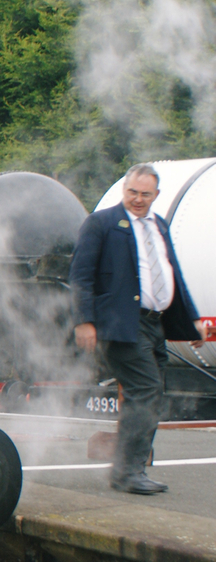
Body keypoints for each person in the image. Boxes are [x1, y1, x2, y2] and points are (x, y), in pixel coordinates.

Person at [70, 164, 205, 494]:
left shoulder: (158, 224)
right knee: (146, 391)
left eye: (145, 194)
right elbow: (80, 275)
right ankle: (128, 472)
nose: (138, 199)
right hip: (120, 326)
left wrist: (193, 320)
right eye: (133, 192)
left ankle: (131, 468)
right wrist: (83, 321)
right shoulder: (102, 223)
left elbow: (172, 273)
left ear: (156, 195)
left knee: (149, 394)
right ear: (124, 190)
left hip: (153, 324)